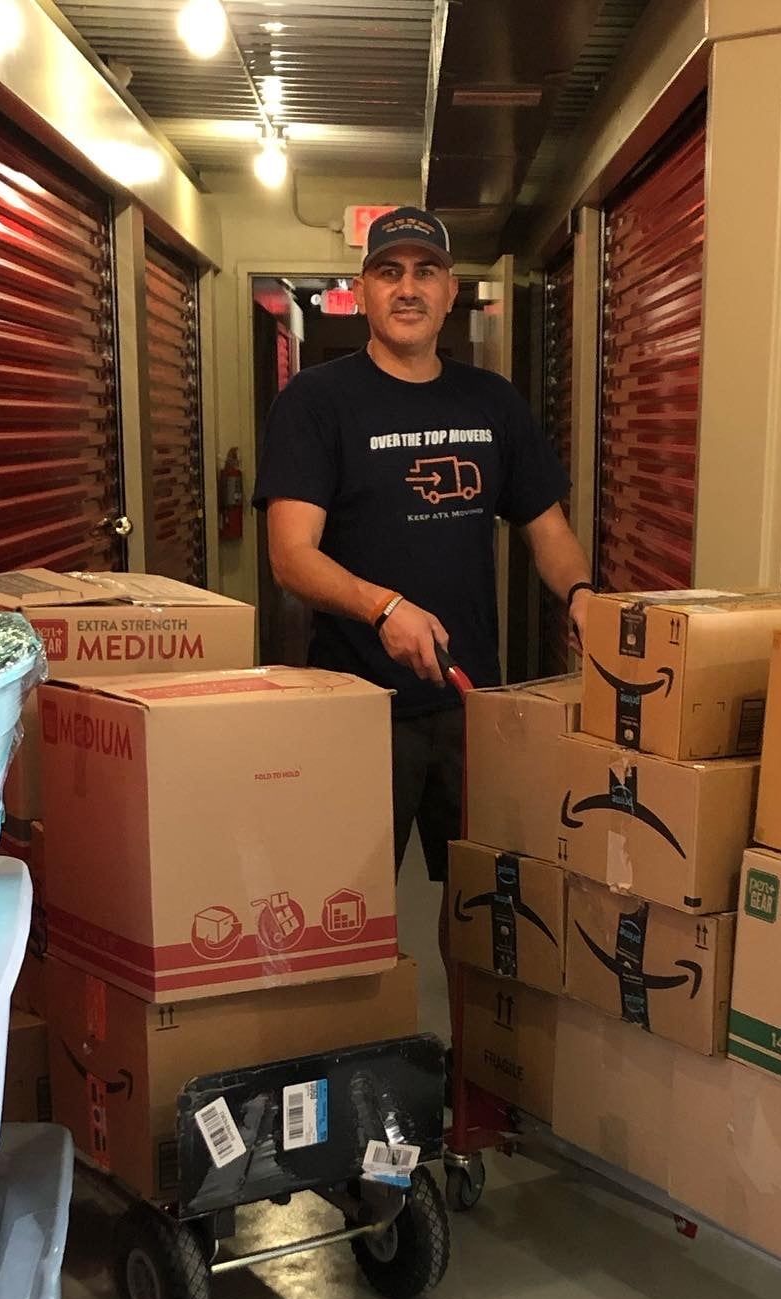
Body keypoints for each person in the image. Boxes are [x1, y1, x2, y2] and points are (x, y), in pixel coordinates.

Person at [252, 205, 594, 954]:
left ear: (451, 293)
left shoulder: (492, 402)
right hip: (356, 706)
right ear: (363, 291)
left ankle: (468, 1052)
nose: (408, 288)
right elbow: (291, 554)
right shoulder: (317, 402)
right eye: (389, 271)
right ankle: (369, 1049)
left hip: (471, 701)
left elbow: (550, 532)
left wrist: (582, 595)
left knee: (475, 900)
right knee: (348, 909)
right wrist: (385, 608)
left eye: (426, 272)